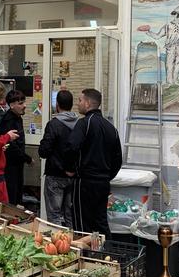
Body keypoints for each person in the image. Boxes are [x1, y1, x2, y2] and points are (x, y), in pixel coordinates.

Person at [66, 89, 122, 235]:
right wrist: (106, 176)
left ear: (88, 103)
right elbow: (118, 159)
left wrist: (70, 168)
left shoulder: (84, 123)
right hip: (103, 183)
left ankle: (83, 255)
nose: (78, 104)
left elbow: (72, 147)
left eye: (80, 100)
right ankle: (106, 255)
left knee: (82, 224)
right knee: (101, 222)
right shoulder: (111, 128)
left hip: (84, 183)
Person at [38, 90, 78, 227]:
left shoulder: (54, 124)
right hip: (74, 176)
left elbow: (44, 151)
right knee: (70, 214)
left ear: (57, 105)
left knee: (54, 215)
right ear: (72, 105)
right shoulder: (80, 124)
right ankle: (72, 244)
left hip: (55, 175)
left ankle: (58, 246)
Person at [140, 0, 179, 87]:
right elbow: (157, 36)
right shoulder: (168, 25)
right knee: (169, 64)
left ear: (177, 14)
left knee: (178, 63)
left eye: (174, 13)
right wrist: (148, 32)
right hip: (170, 47)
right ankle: (169, 82)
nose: (173, 15)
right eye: (172, 13)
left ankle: (175, 80)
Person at [0, 90, 31, 205]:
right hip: (9, 166)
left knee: (17, 196)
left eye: (24, 102)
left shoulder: (18, 118)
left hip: (17, 165)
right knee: (11, 198)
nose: (24, 106)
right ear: (12, 105)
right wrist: (27, 158)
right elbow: (11, 146)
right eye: (21, 103)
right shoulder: (8, 120)